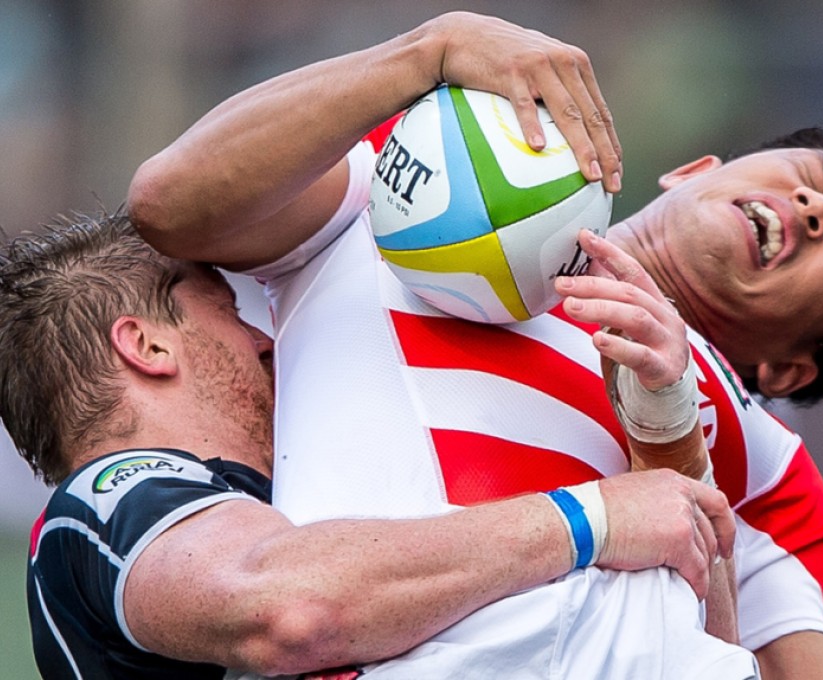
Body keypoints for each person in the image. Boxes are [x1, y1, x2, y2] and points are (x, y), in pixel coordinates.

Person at [127, 10, 823, 680]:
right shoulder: (419, 186)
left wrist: (672, 447)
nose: (816, 211)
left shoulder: (766, 463)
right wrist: (428, 50)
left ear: (787, 368)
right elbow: (168, 204)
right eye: (812, 177)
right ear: (694, 169)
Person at [0, 211, 753, 679]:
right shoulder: (104, 504)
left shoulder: (307, 506)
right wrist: (591, 519)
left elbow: (705, 650)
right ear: (147, 347)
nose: (266, 338)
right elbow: (286, 606)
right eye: (229, 312)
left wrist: (665, 433)